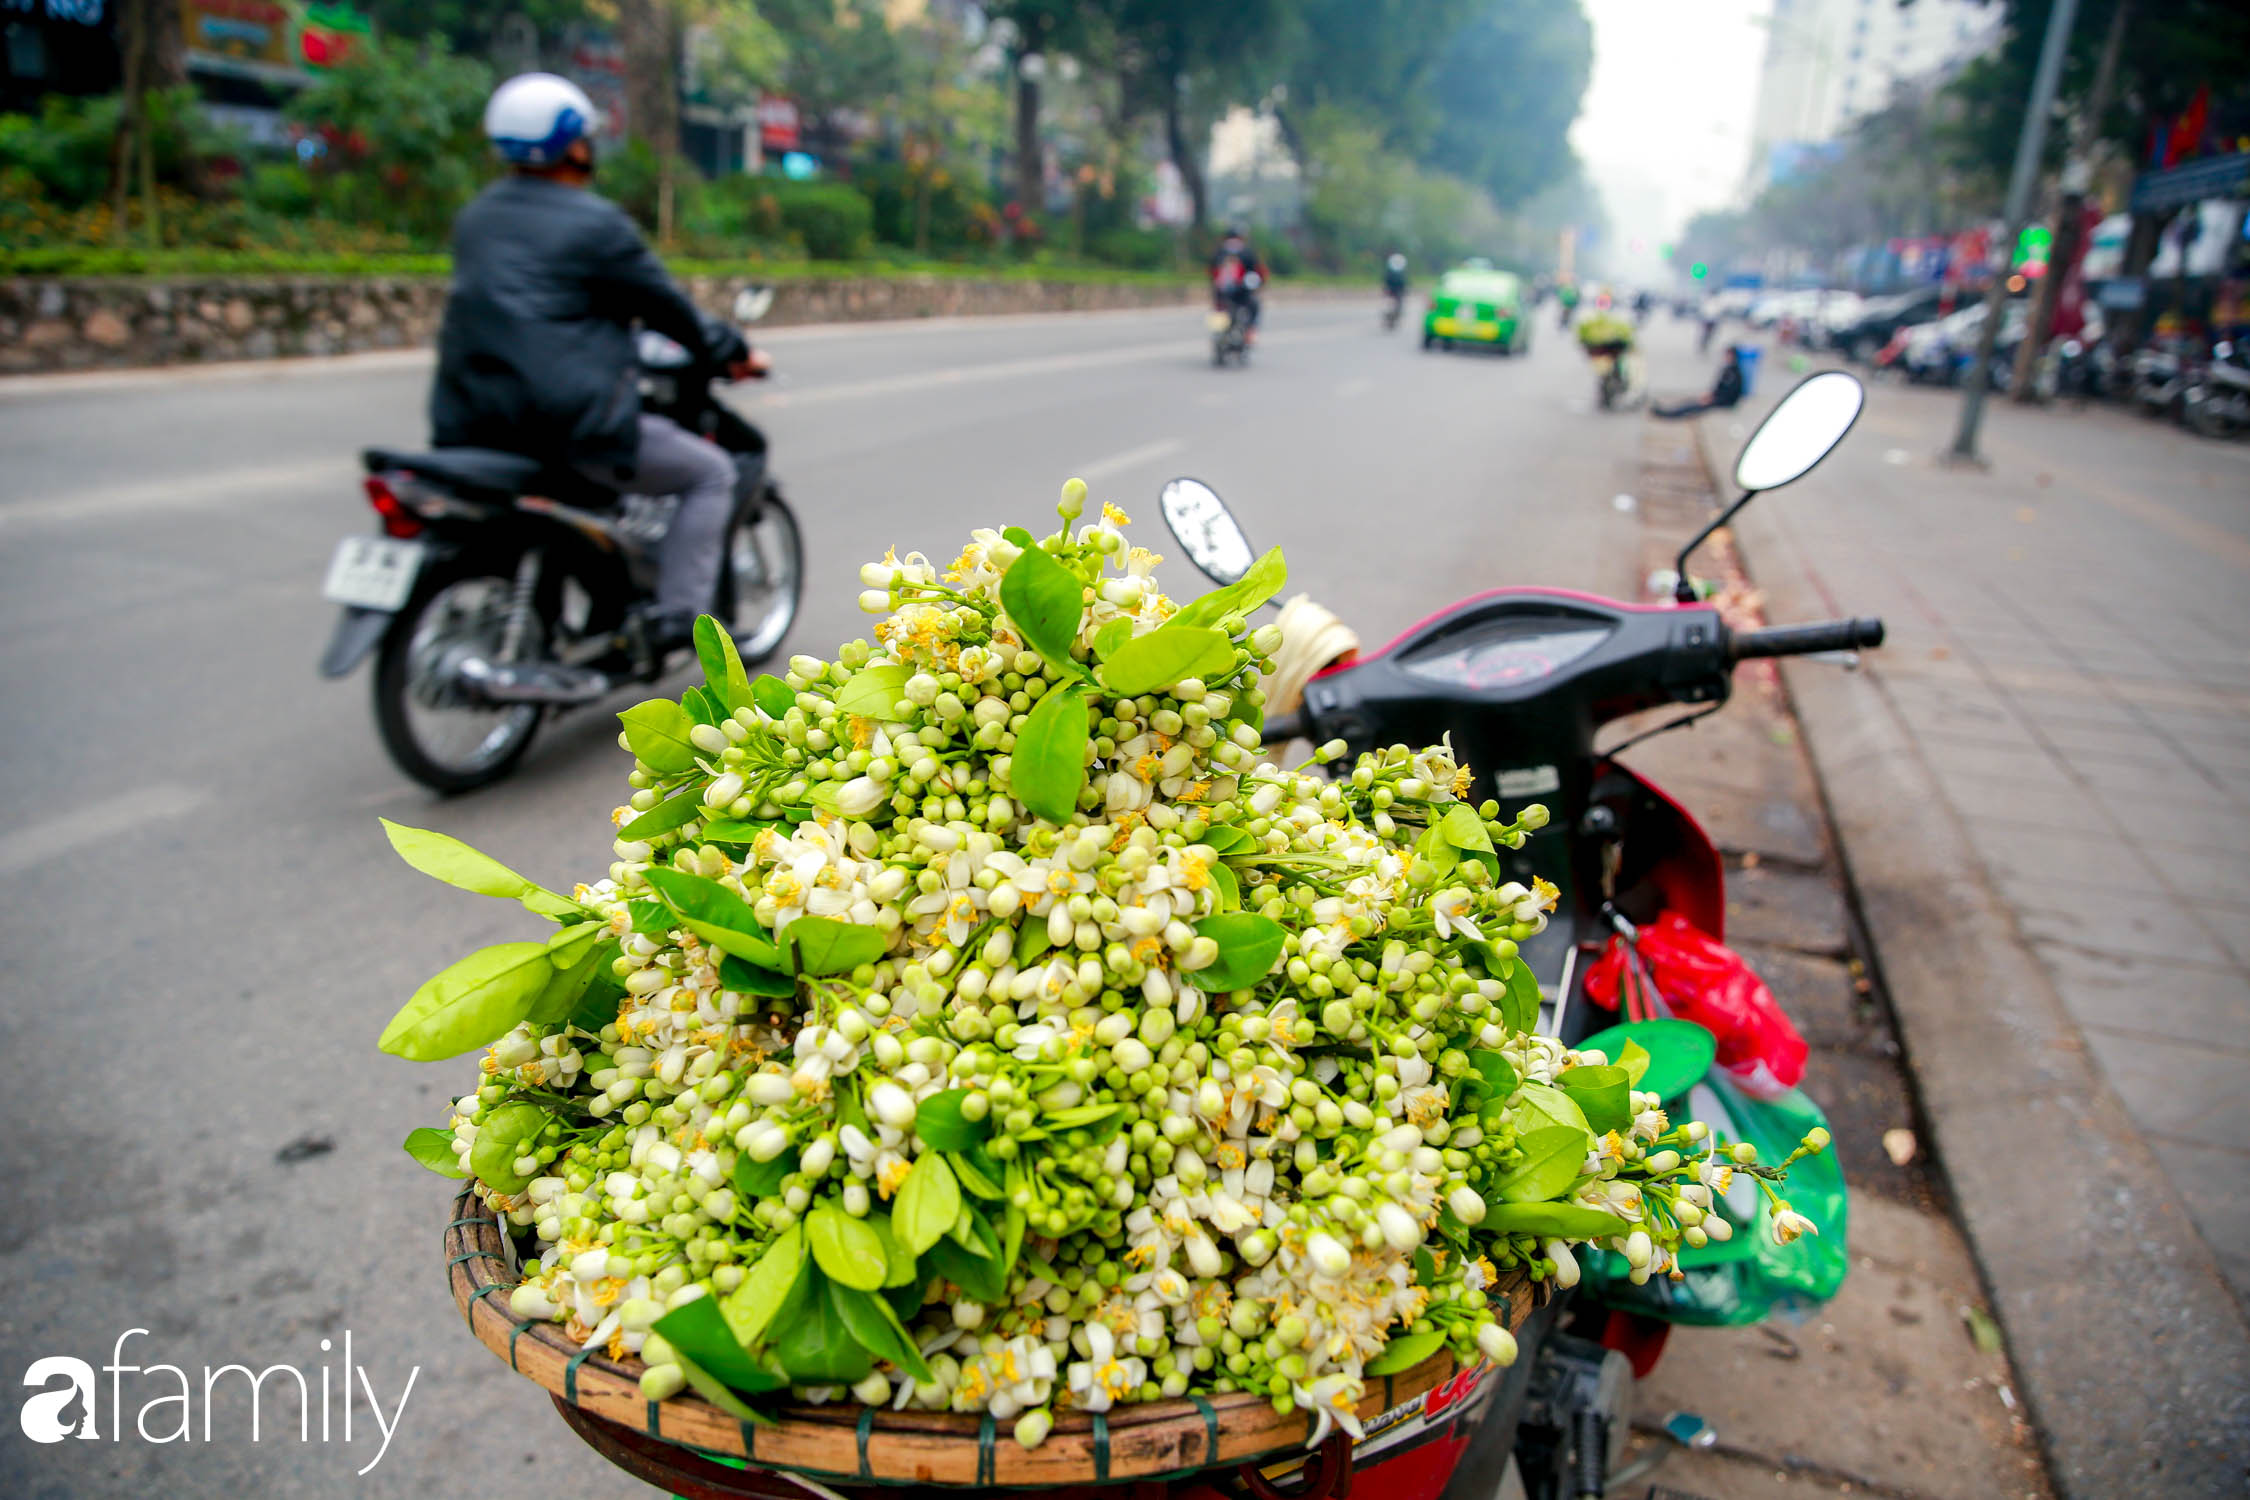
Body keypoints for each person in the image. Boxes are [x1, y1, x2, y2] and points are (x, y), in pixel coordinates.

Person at [429, 72, 766, 655]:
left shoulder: (476, 218)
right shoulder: (595, 223)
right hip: (568, 422)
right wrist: (733, 352)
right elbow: (668, 310)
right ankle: (679, 618)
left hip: (475, 423)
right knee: (710, 472)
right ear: (575, 144)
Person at [1652, 345, 1746, 420]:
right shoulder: (1730, 369)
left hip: (1723, 402)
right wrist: (1710, 395)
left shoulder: (1733, 372)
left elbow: (1729, 393)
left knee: (1692, 407)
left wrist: (1713, 399)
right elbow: (1720, 387)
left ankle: (1667, 414)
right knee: (1689, 401)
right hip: (1717, 399)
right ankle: (1667, 410)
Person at [1211, 227, 1267, 338]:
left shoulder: (1219, 252)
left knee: (1219, 309)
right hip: (1241, 292)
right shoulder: (1246, 252)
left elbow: (1212, 271)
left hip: (1223, 293)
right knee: (1254, 304)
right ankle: (1250, 332)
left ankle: (1220, 334)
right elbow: (1257, 272)